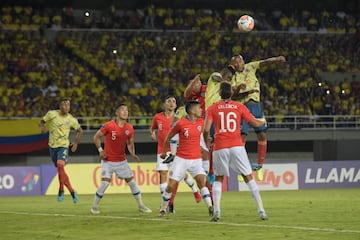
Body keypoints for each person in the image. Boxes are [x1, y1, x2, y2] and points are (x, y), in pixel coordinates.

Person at [203, 81, 269, 222]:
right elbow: (255, 123)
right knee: (248, 177)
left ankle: (217, 210)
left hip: (220, 146)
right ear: (232, 93)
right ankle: (261, 210)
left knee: (219, 178)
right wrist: (263, 121)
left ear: (219, 93)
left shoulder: (212, 108)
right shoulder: (240, 106)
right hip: (237, 145)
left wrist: (207, 140)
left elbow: (206, 129)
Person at [231, 54, 286, 181]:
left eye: (240, 60)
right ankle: (241, 169)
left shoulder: (250, 66)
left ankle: (260, 166)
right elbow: (232, 96)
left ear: (243, 61)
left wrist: (277, 59)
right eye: (236, 62)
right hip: (242, 108)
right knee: (241, 138)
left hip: (255, 106)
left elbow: (265, 61)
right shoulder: (232, 77)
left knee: (262, 135)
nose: (239, 63)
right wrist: (239, 88)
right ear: (233, 65)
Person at [90, 104, 152, 214]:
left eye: (127, 110)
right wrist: (100, 150)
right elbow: (96, 137)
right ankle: (94, 206)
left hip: (121, 161)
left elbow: (130, 143)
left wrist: (133, 153)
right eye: (122, 110)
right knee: (105, 183)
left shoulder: (129, 128)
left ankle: (141, 205)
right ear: (117, 113)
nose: (125, 112)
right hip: (107, 161)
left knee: (132, 182)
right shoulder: (109, 125)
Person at [159, 100, 213, 217]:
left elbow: (205, 135)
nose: (201, 110)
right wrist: (164, 152)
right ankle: (163, 208)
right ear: (192, 111)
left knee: (201, 183)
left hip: (196, 160)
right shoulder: (181, 123)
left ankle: (210, 206)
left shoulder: (201, 122)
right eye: (199, 108)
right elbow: (169, 137)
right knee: (171, 185)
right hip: (181, 160)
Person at [150, 96, 201, 213]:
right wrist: (152, 133)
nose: (172, 103)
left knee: (182, 175)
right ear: (164, 105)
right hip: (161, 150)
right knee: (163, 174)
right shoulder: (158, 117)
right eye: (169, 101)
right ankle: (165, 204)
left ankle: (195, 191)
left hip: (176, 151)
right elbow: (152, 128)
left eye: (174, 101)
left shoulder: (180, 118)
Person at [39, 98, 83, 203]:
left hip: (63, 146)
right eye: (64, 105)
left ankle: (61, 189)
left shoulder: (72, 119)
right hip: (52, 146)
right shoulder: (52, 114)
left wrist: (75, 143)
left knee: (60, 166)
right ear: (60, 106)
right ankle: (72, 191)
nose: (66, 107)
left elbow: (80, 131)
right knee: (60, 170)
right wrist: (42, 127)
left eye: (68, 105)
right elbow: (41, 121)